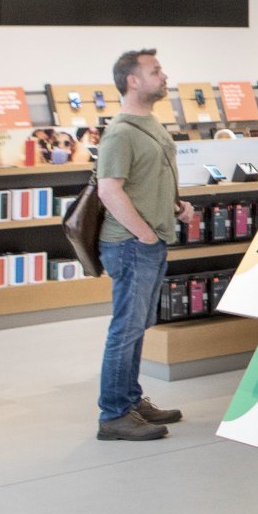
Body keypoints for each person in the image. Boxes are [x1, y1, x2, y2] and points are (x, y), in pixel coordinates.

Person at [94, 49, 192, 441]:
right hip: (132, 245)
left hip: (149, 241)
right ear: (132, 81)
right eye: (155, 71)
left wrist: (176, 206)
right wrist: (144, 234)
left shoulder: (149, 123)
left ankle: (130, 401)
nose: (163, 76)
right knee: (126, 328)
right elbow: (109, 190)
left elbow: (145, 181)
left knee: (137, 327)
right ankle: (114, 414)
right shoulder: (120, 132)